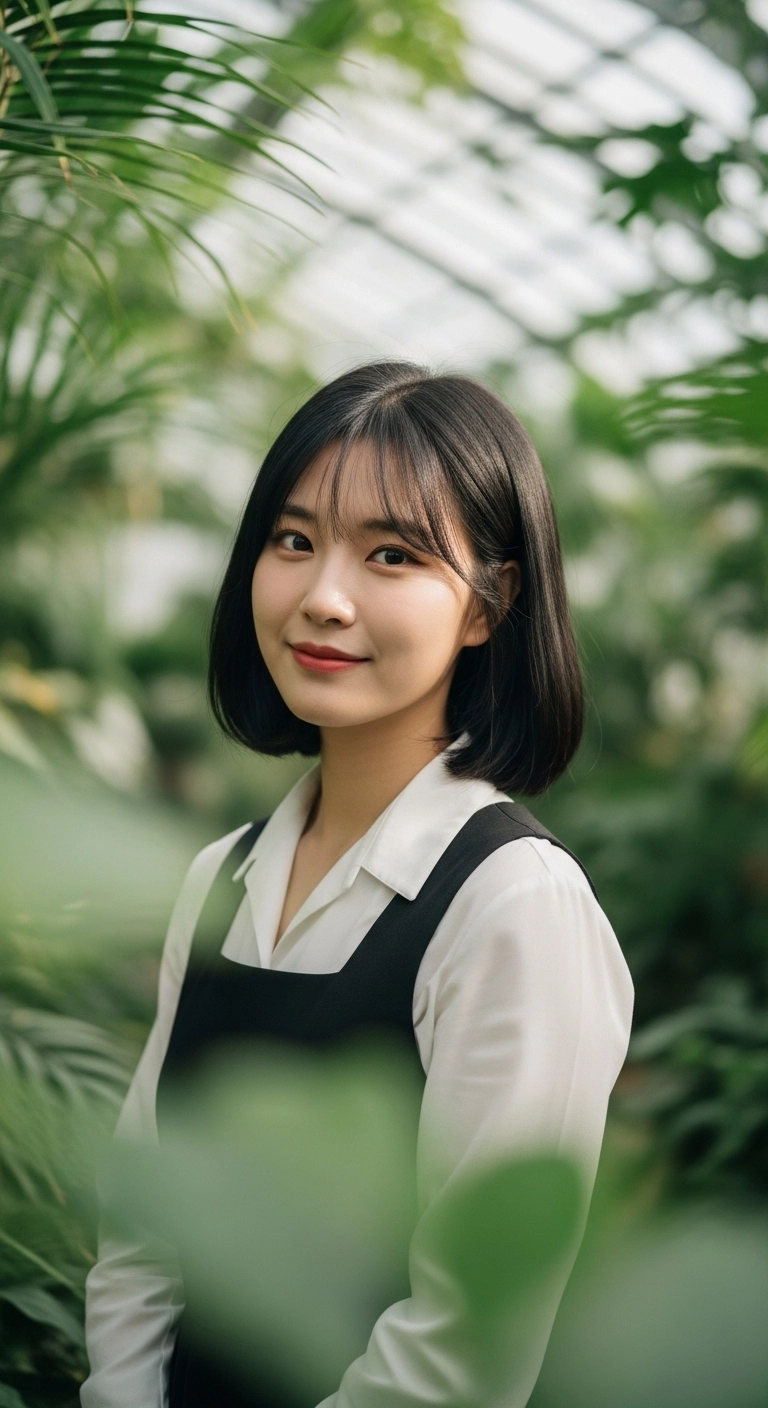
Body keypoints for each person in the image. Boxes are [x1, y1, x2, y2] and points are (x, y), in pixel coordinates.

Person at [81, 362, 633, 1408]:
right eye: (294, 541)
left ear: (490, 604)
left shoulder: (513, 907)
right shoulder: (221, 875)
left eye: (391, 554)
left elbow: (464, 1346)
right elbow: (145, 1224)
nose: (322, 596)